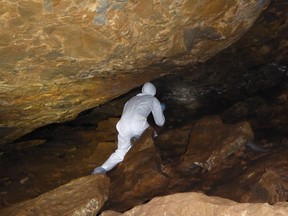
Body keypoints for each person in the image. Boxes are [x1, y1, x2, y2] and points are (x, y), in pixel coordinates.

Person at [92, 82, 165, 174]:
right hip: (138, 124)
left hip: (122, 126)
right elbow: (160, 122)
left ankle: (101, 169)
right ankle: (139, 140)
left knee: (120, 152)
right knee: (153, 135)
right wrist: (161, 110)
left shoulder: (130, 100)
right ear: (153, 92)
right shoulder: (153, 99)